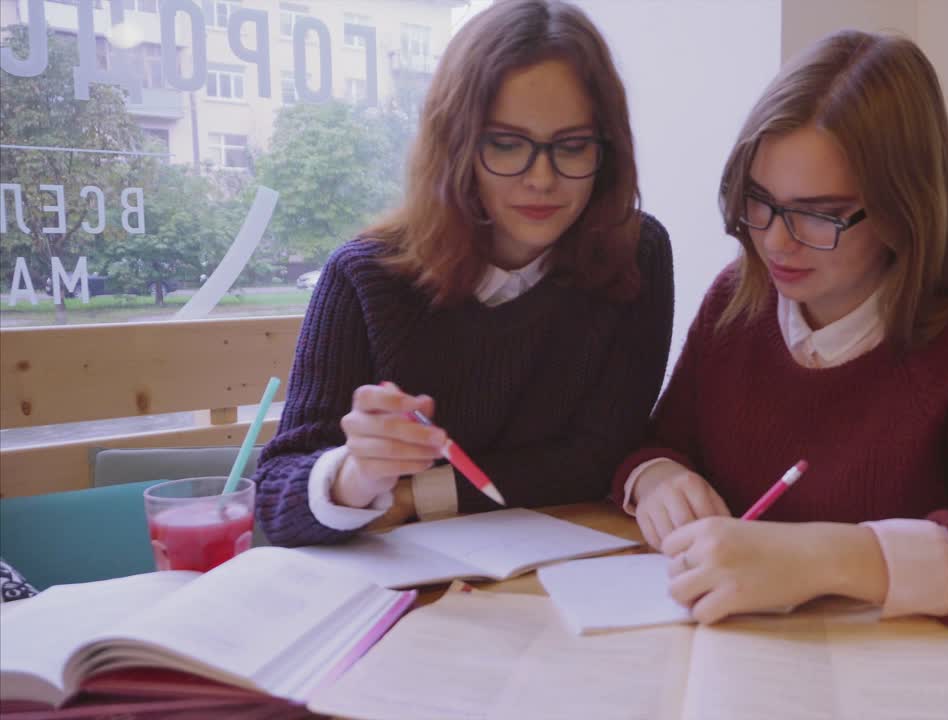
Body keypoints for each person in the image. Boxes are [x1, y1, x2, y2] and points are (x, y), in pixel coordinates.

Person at [613, 30, 948, 630]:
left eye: (820, 215)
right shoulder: (740, 298)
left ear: (903, 211)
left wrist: (831, 556)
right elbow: (661, 442)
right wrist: (656, 476)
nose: (774, 241)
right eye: (759, 200)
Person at [257, 0, 673, 547]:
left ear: (608, 149)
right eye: (506, 143)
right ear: (455, 145)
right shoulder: (365, 276)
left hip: (559, 577)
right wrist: (358, 474)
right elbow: (275, 501)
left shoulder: (634, 253)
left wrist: (413, 496)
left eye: (572, 146)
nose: (542, 179)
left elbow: (597, 458)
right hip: (400, 601)